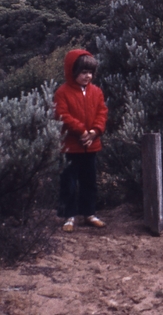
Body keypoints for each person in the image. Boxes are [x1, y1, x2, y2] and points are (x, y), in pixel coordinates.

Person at [55, 49, 109, 232]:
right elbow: (62, 115)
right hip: (70, 146)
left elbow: (102, 112)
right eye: (83, 72)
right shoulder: (62, 92)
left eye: (90, 72)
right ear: (72, 71)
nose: (87, 76)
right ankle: (68, 216)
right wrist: (81, 131)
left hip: (91, 145)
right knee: (68, 182)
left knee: (89, 181)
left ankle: (89, 213)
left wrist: (95, 132)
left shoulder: (96, 92)